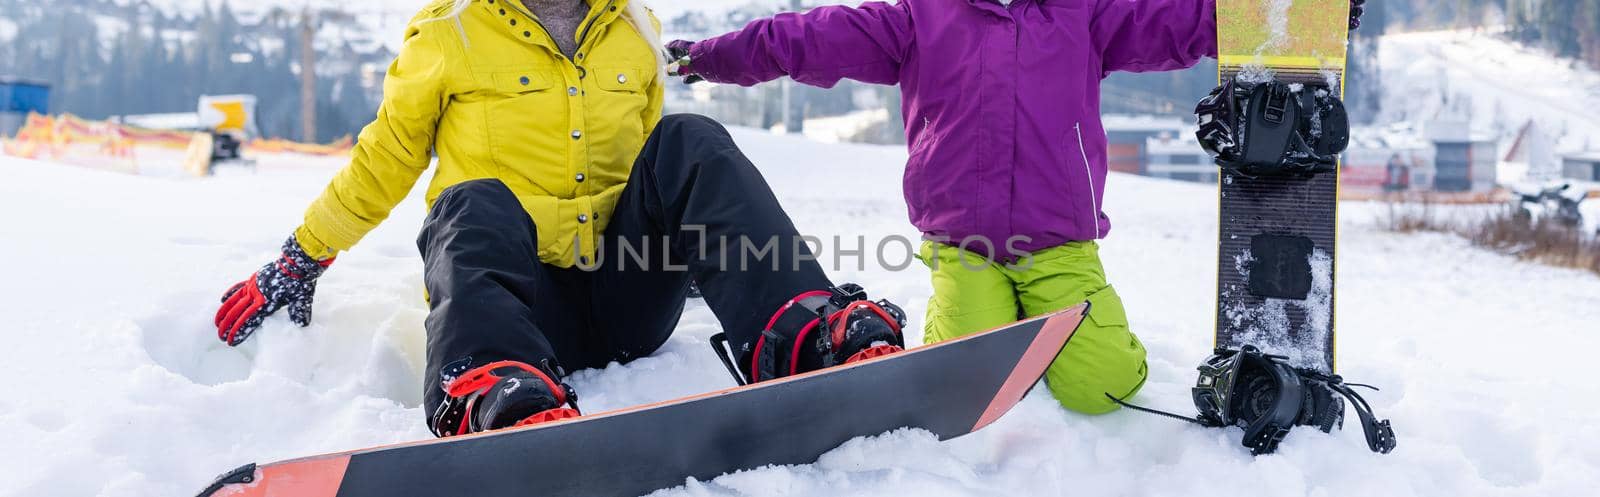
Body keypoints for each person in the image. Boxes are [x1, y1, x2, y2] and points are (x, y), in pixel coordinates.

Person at [213, 0, 907, 437]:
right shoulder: (450, 32)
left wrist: (701, 254)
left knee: (692, 139)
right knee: (472, 198)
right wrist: (302, 256)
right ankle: (489, 387)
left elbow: (656, 174)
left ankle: (804, 331)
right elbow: (385, 158)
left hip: (625, 297)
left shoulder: (633, 32)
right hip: (517, 308)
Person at [668, 0, 1220, 415]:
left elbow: (1185, 19)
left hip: (1059, 245)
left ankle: (1050, 319)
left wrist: (1273, 18)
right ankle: (975, 315)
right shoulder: (920, 16)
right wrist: (707, 56)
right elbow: (807, 38)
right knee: (963, 388)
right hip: (965, 248)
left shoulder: (1084, 11)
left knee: (1102, 388)